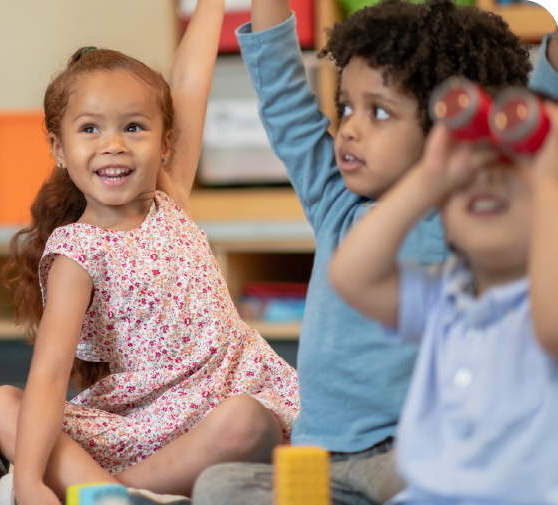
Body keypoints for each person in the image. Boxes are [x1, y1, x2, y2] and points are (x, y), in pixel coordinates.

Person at [193, 1, 558, 502]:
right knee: (220, 486)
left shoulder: (467, 214)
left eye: (379, 111)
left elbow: (535, 125)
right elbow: (281, 92)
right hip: (320, 461)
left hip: (411, 457)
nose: (349, 128)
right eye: (346, 106)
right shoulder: (335, 201)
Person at [0, 1, 299, 503]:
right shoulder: (76, 251)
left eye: (133, 127)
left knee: (245, 420)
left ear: (166, 142)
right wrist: (31, 482)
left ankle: (114, 493)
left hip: (225, 405)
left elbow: (190, 81)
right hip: (138, 426)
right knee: (0, 403)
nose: (114, 145)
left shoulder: (171, 200)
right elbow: (47, 373)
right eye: (90, 129)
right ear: (58, 148)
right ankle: (109, 490)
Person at [327, 97, 558, 503]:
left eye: (513, 174)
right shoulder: (444, 296)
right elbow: (351, 276)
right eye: (465, 180)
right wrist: (429, 177)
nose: (484, 181)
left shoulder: (541, 305)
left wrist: (550, 177)